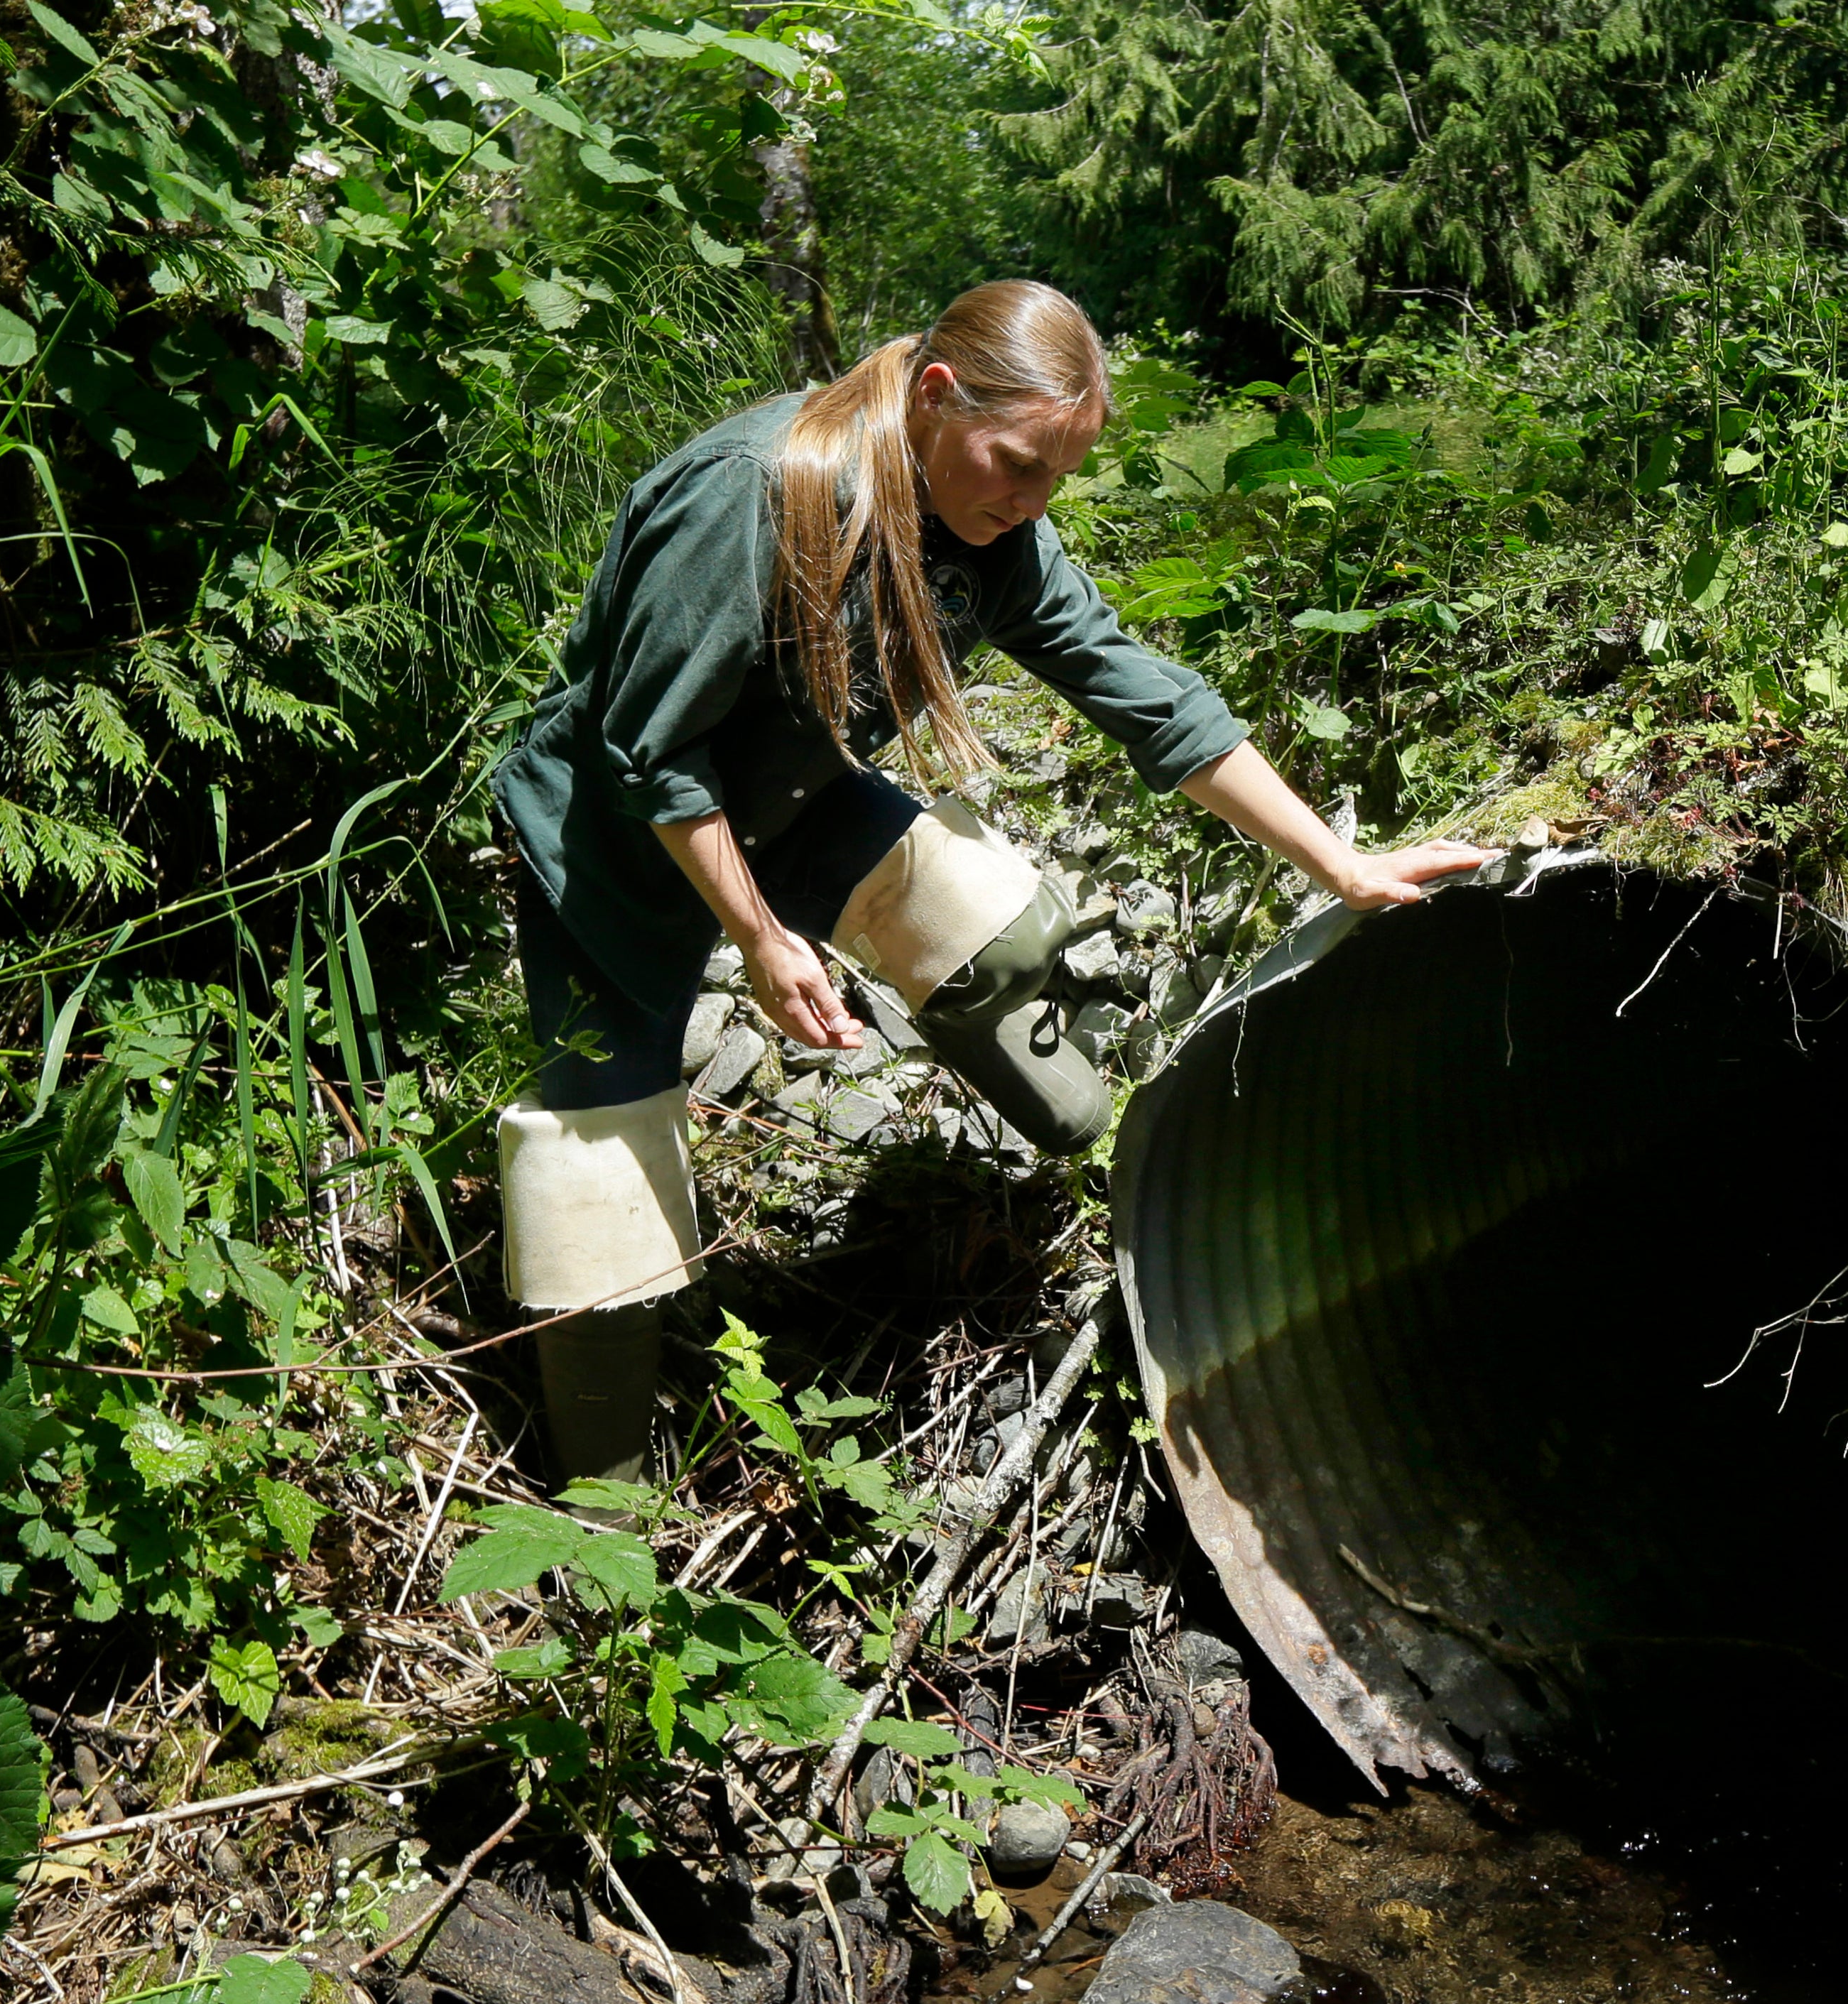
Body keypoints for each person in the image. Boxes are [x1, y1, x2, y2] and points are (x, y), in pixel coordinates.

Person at [489, 279, 1489, 1483]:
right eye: (1015, 464)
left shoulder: (995, 532)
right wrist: (759, 939)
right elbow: (648, 750)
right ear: (935, 395)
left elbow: (1144, 693)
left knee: (1001, 929)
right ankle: (601, 1499)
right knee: (599, 1186)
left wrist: (1338, 862)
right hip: (616, 832)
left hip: (788, 790)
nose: (1028, 503)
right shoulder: (753, 496)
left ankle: (1074, 1159)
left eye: (1055, 480)